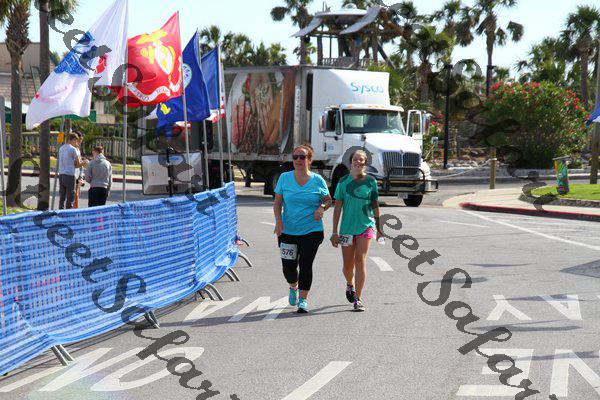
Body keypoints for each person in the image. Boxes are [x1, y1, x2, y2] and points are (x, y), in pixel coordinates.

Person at [273, 145, 332, 313]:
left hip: (312, 230)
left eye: (302, 157)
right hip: (288, 230)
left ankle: (303, 300)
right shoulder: (284, 178)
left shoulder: (318, 180)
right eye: (295, 157)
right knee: (289, 268)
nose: (298, 160)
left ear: (309, 160)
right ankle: (293, 286)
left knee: (306, 264)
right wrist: (278, 221)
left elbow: (328, 200)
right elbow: (278, 202)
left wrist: (321, 207)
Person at [331, 150, 382, 312]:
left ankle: (358, 298)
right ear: (351, 161)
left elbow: (375, 204)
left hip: (366, 226)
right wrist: (334, 232)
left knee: (360, 259)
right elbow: (337, 208)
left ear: (365, 163)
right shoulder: (343, 182)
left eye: (361, 160)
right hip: (347, 228)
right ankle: (350, 284)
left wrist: (379, 228)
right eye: (355, 159)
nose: (358, 162)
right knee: (347, 266)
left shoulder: (371, 181)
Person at [58, 132, 87, 209]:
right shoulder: (73, 149)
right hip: (70, 175)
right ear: (73, 140)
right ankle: (68, 212)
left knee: (62, 197)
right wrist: (84, 163)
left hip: (61, 174)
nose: (77, 143)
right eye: (76, 141)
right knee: (70, 197)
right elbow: (77, 164)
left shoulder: (61, 148)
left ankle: (60, 211)